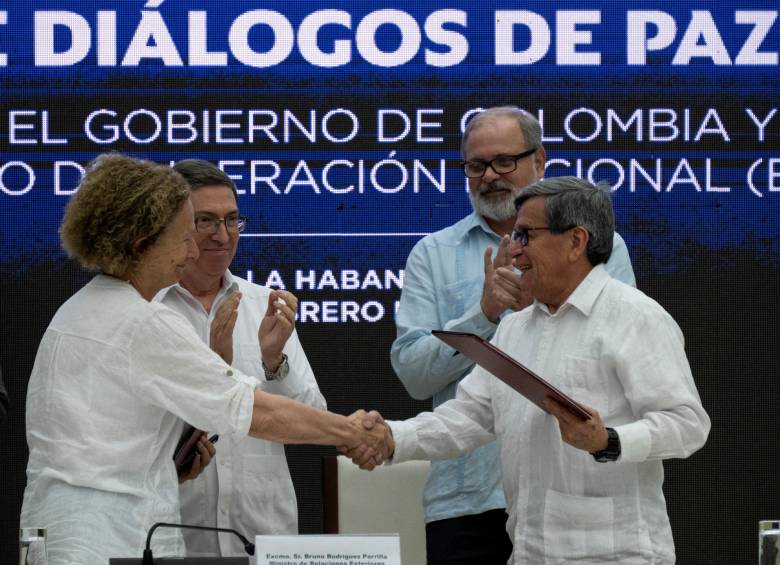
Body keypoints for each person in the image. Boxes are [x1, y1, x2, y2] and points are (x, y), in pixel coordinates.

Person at [20, 154, 383, 565]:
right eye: (185, 234)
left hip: (69, 535)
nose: (195, 248)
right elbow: (252, 412)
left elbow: (106, 442)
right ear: (143, 243)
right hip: (109, 540)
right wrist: (353, 433)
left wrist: (170, 466)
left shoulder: (77, 310)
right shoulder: (142, 321)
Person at [354, 176, 711, 564]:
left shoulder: (635, 317)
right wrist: (392, 437)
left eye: (525, 235)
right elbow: (470, 417)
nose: (513, 250)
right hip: (529, 552)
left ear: (576, 241)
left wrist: (607, 440)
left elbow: (687, 424)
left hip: (616, 554)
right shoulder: (514, 327)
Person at [390, 106, 636, 564]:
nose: (490, 176)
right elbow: (414, 375)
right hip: (467, 499)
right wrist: (484, 314)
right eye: (476, 165)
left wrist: (541, 312)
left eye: (505, 161)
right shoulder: (433, 253)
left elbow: (621, 349)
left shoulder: (601, 244)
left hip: (574, 492)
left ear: (539, 161)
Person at [157, 159, 326, 555]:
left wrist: (273, 361)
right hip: (177, 537)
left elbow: (313, 414)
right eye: (206, 222)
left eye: (232, 220)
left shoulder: (262, 303)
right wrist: (216, 369)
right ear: (173, 227)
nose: (223, 236)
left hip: (263, 537)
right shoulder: (148, 308)